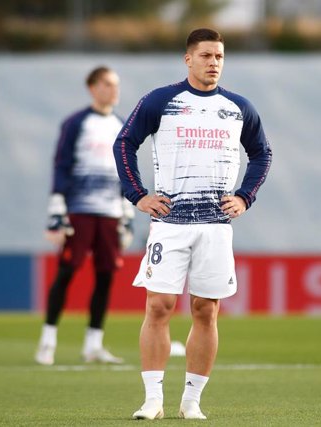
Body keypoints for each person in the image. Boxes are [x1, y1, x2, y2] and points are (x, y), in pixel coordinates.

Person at [113, 28, 272, 420]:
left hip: (216, 225)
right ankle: (153, 400)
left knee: (206, 311)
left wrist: (244, 196)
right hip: (171, 221)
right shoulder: (161, 100)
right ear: (188, 59)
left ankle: (192, 401)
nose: (213, 63)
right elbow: (124, 143)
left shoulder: (238, 107)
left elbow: (262, 154)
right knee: (159, 305)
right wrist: (138, 195)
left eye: (219, 56)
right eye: (205, 56)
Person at [36, 66, 133, 366]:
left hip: (110, 213)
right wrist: (57, 209)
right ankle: (47, 341)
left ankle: (94, 344)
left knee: (106, 276)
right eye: (106, 84)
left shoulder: (121, 125)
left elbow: (126, 170)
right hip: (79, 210)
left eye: (115, 84)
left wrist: (127, 213)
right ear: (92, 88)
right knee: (67, 272)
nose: (113, 90)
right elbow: (61, 165)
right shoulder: (77, 123)